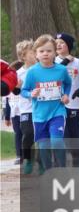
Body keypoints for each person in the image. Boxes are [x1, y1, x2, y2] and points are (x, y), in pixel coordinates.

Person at [23, 35, 73, 171]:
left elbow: (68, 84)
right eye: (41, 51)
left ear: (55, 53)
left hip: (57, 112)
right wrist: (30, 94)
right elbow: (24, 90)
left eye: (49, 51)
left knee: (56, 141)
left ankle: (62, 169)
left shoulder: (61, 70)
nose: (45, 53)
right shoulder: (32, 72)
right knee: (44, 146)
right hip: (39, 115)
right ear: (36, 54)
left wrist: (66, 95)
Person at [54, 33, 79, 167]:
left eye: (62, 42)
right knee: (62, 132)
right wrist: (66, 61)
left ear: (68, 45)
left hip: (74, 103)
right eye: (56, 42)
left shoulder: (78, 62)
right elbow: (55, 72)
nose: (58, 45)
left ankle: (76, 160)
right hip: (57, 104)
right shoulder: (53, 61)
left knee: (73, 133)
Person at [14, 40, 37, 173]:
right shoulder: (18, 73)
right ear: (23, 56)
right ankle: (28, 159)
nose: (35, 54)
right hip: (26, 109)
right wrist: (17, 87)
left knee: (42, 136)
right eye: (31, 51)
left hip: (43, 108)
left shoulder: (42, 69)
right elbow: (15, 91)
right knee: (28, 134)